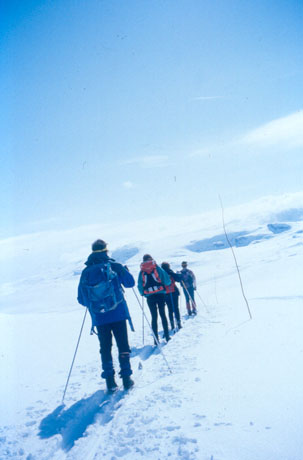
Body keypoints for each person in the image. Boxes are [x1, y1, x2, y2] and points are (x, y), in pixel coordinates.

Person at [77, 239, 135, 392]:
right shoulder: (115, 266)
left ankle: (110, 381)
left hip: (99, 317)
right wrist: (125, 272)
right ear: (106, 250)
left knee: (105, 347)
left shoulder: (86, 272)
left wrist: (96, 303)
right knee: (122, 344)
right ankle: (127, 378)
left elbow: (81, 299)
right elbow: (130, 284)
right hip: (118, 313)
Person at [138, 254, 171, 344]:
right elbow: (167, 281)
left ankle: (156, 340)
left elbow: (140, 285)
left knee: (154, 317)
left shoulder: (142, 270)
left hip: (150, 296)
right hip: (160, 294)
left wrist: (144, 294)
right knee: (163, 315)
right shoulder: (156, 267)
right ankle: (167, 336)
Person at [161, 262, 182, 331]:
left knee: (170, 309)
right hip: (174, 292)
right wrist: (179, 274)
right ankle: (178, 323)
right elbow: (178, 279)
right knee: (176, 308)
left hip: (166, 294)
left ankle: (172, 324)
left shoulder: (160, 274)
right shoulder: (170, 272)